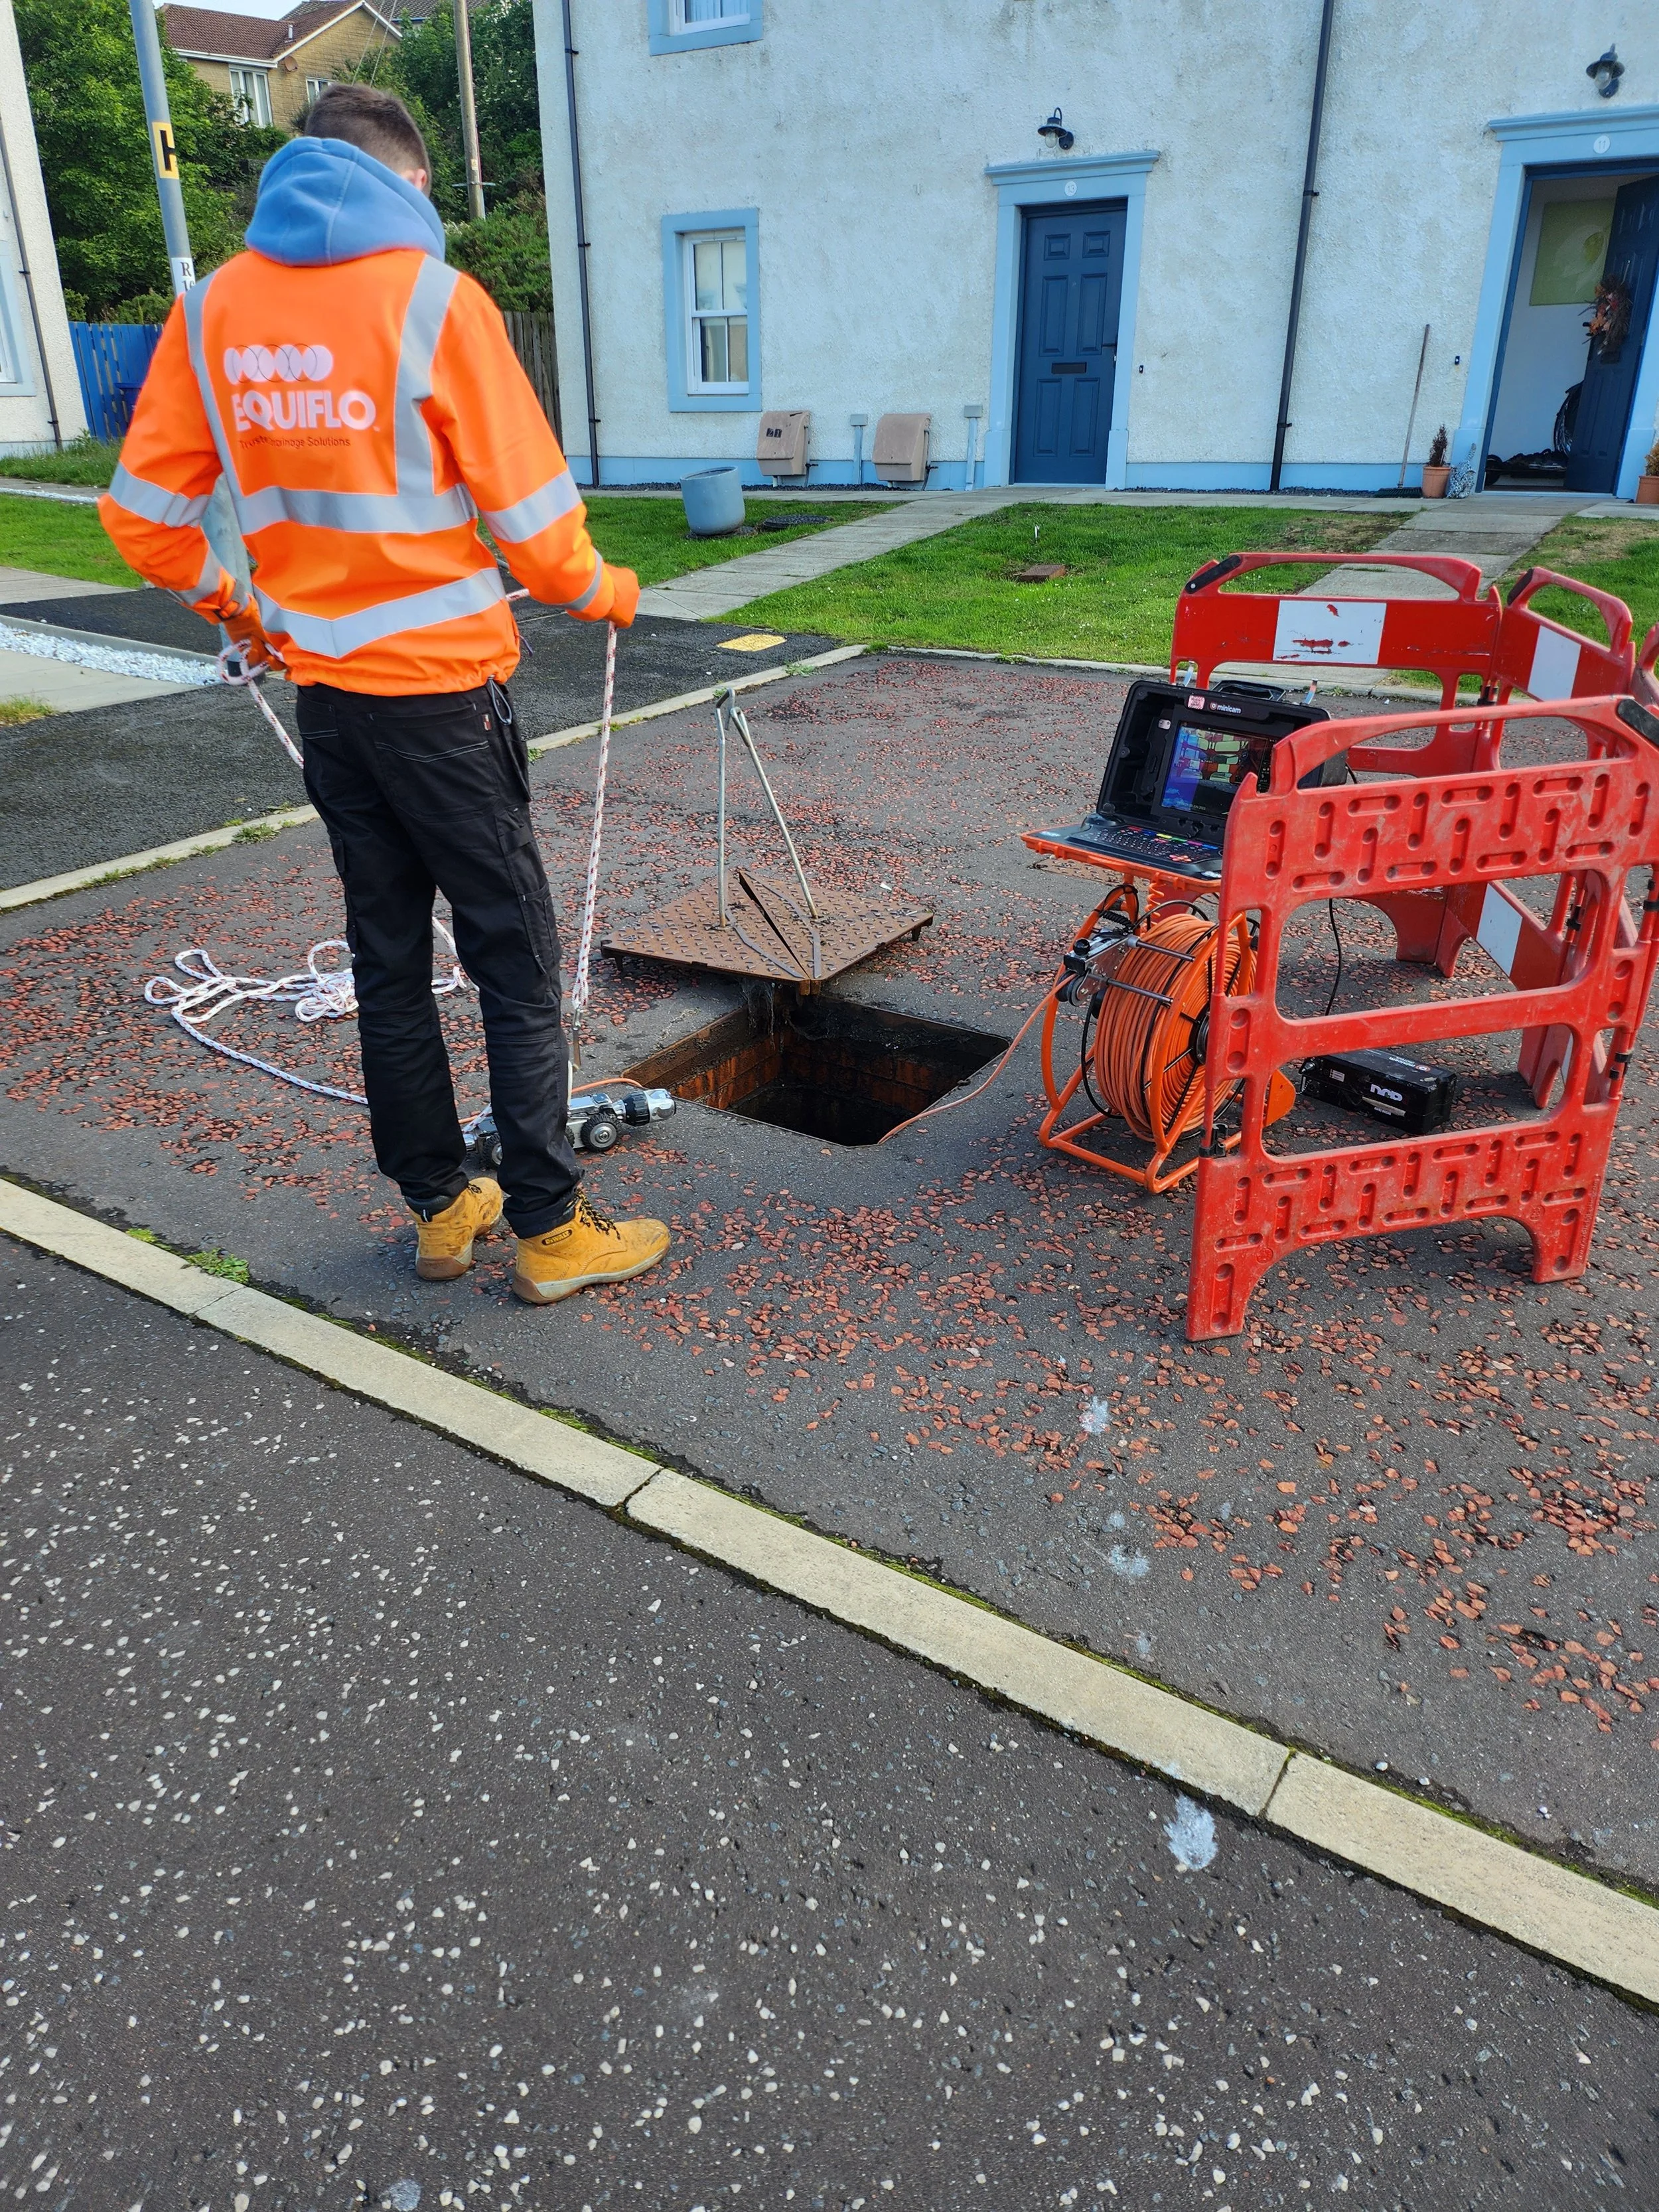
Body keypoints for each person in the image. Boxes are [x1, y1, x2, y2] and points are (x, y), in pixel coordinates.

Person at [100, 84, 670, 1306]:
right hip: (445, 703)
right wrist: (610, 586)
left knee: (391, 960)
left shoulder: (208, 316)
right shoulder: (433, 302)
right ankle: (553, 1229)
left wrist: (244, 608)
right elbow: (541, 542)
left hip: (331, 707)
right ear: (405, 185)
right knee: (515, 962)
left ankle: (440, 1205)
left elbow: (144, 524)